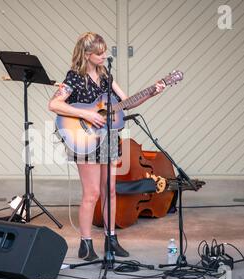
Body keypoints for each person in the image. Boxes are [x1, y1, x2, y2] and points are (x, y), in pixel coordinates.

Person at [48, 32, 164, 261]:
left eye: (104, 52)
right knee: (92, 193)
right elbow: (54, 104)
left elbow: (127, 102)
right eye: (99, 53)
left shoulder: (106, 76)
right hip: (85, 139)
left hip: (109, 138)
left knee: (110, 191)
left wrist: (152, 92)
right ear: (87, 55)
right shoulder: (73, 78)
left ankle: (111, 240)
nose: (104, 56)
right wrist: (86, 113)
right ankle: (86, 244)